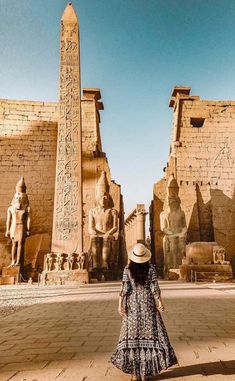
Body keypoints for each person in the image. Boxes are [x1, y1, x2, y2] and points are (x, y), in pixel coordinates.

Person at [111, 243, 177, 381]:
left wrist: (120, 305)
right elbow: (154, 287)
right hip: (148, 304)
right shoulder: (150, 268)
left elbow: (124, 289)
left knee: (133, 338)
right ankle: (147, 372)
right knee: (150, 336)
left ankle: (135, 374)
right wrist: (160, 302)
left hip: (133, 305)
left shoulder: (128, 269)